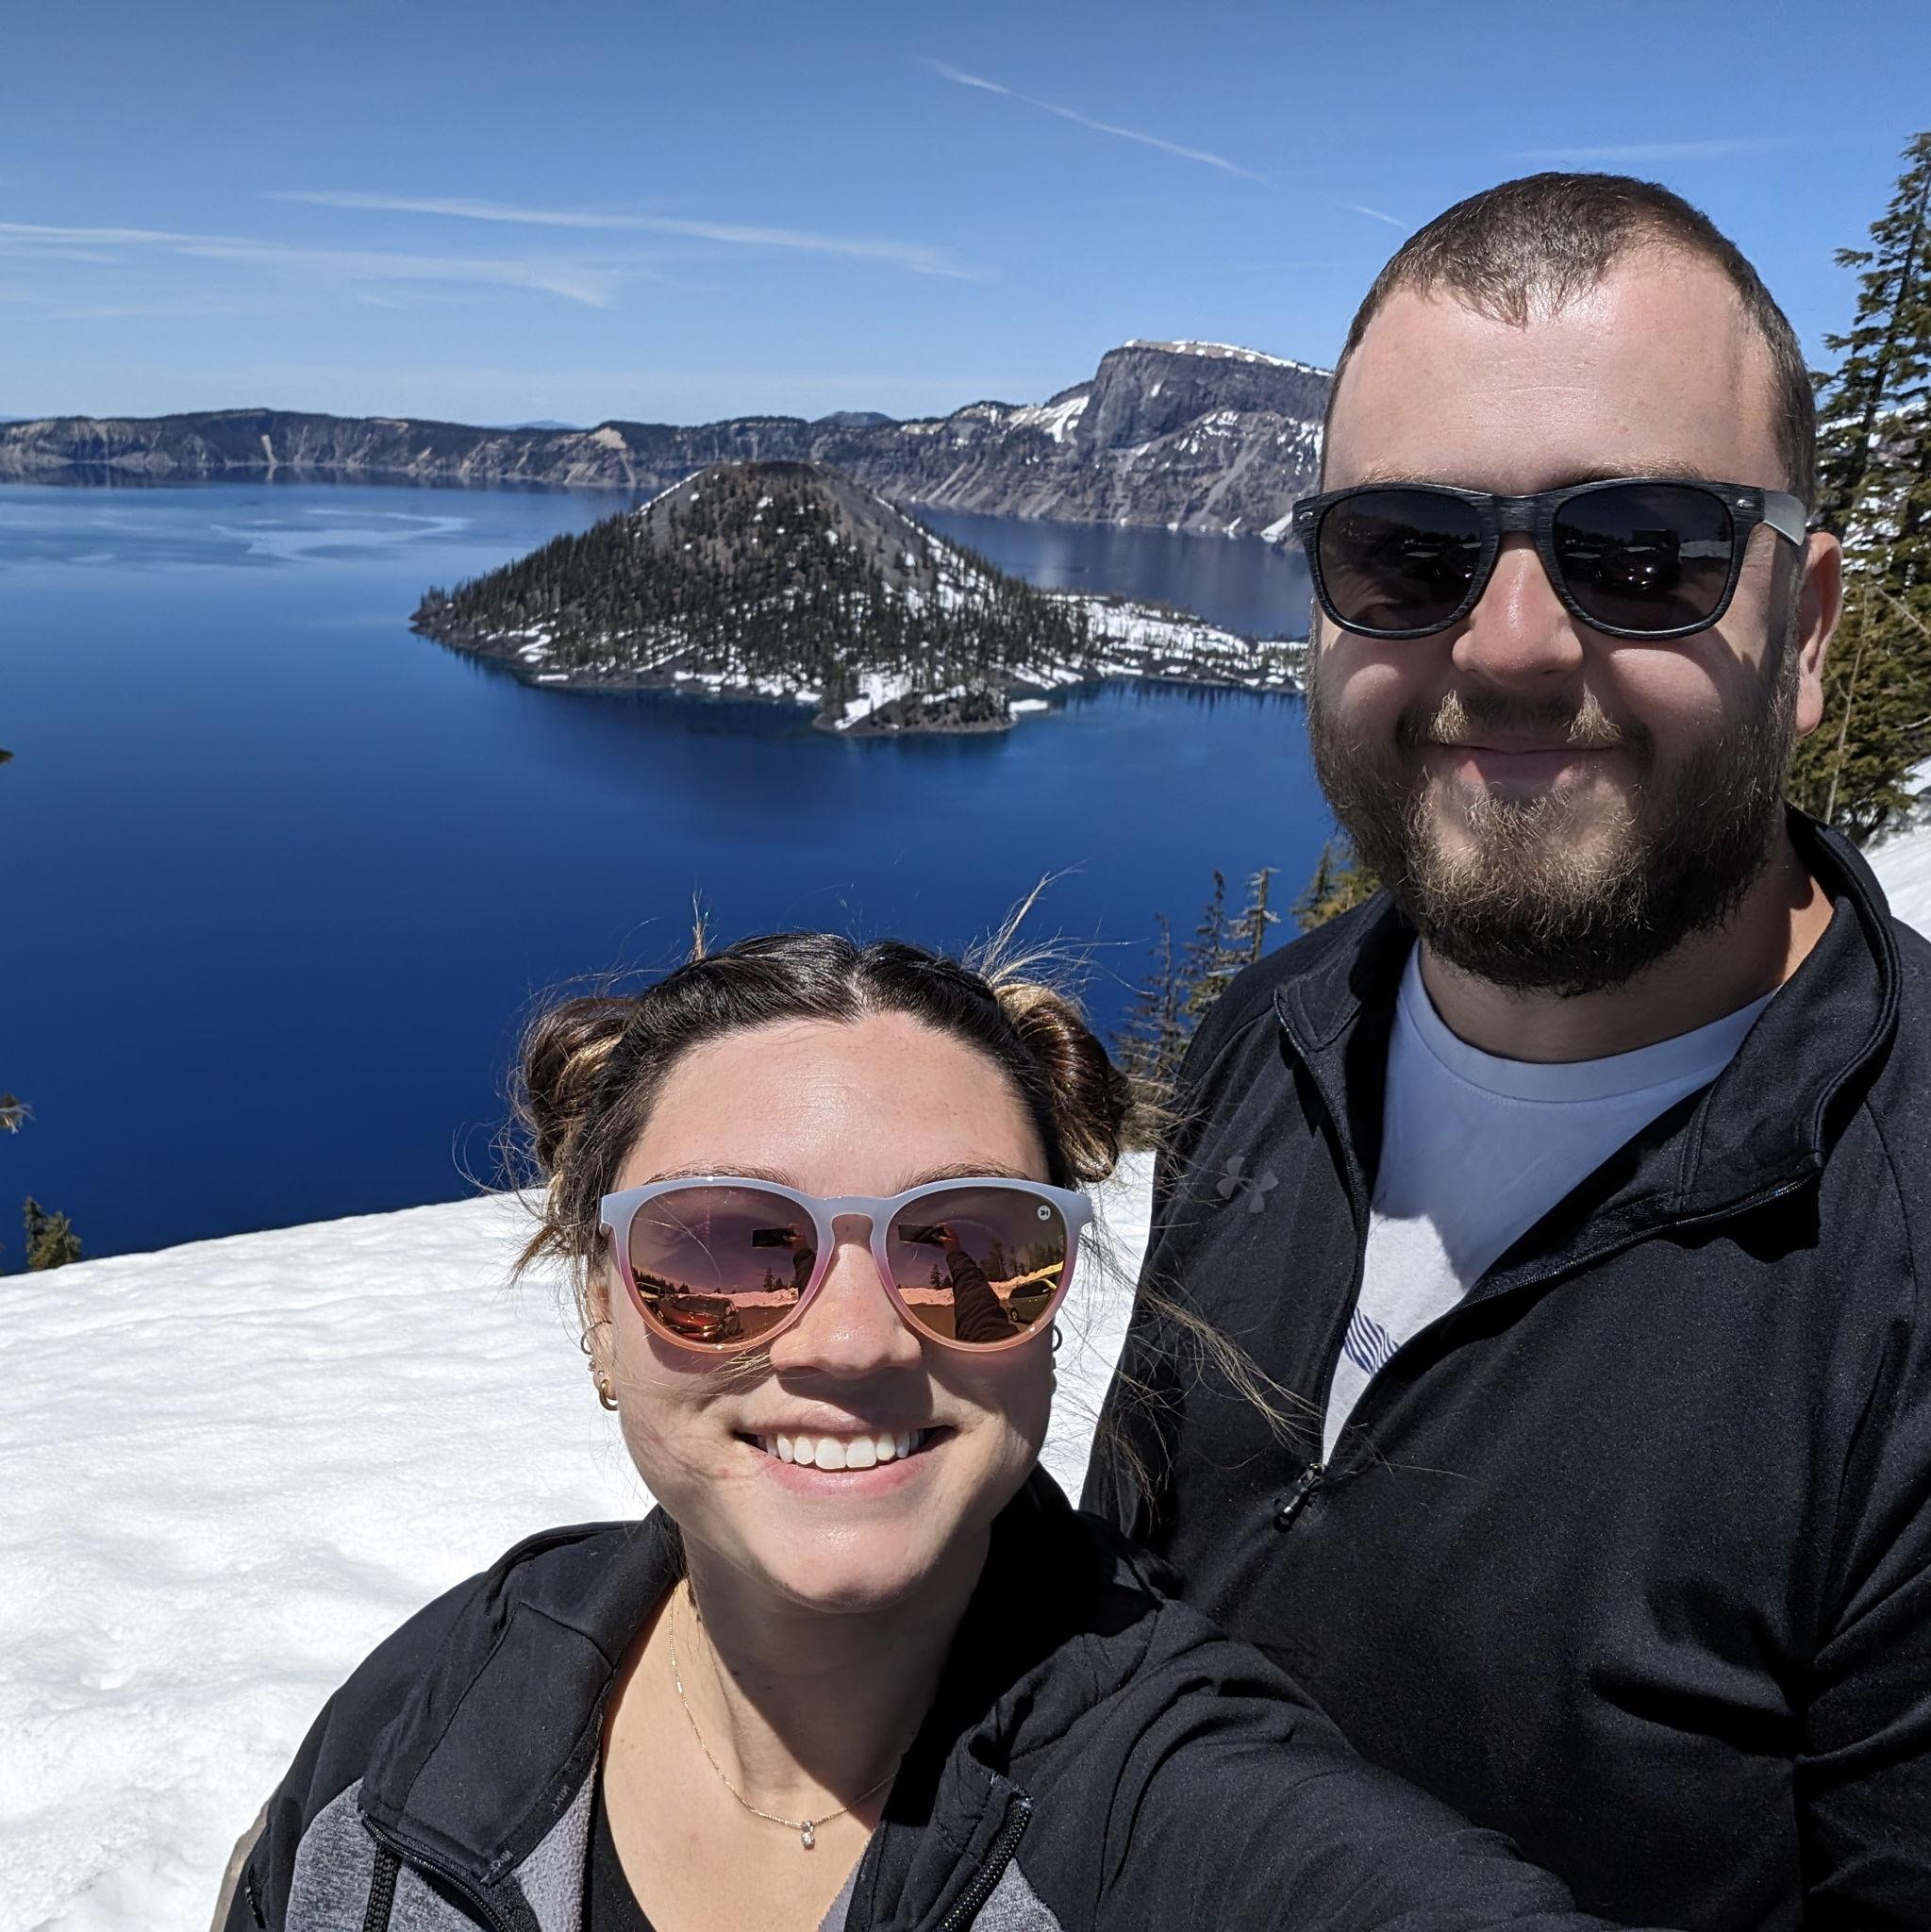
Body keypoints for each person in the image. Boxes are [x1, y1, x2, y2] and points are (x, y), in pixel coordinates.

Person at [1083, 173, 1931, 1929]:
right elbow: (1128, 1596)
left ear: (1815, 629)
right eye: (1407, 553)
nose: (1514, 644)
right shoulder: (1279, 1036)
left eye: (1647, 554)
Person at [214, 933, 1655, 1932]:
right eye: (725, 1248)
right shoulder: (436, 1701)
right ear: (601, 1310)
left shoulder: (1167, 1805)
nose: (850, 1340)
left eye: (969, 1248)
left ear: (1054, 1310)